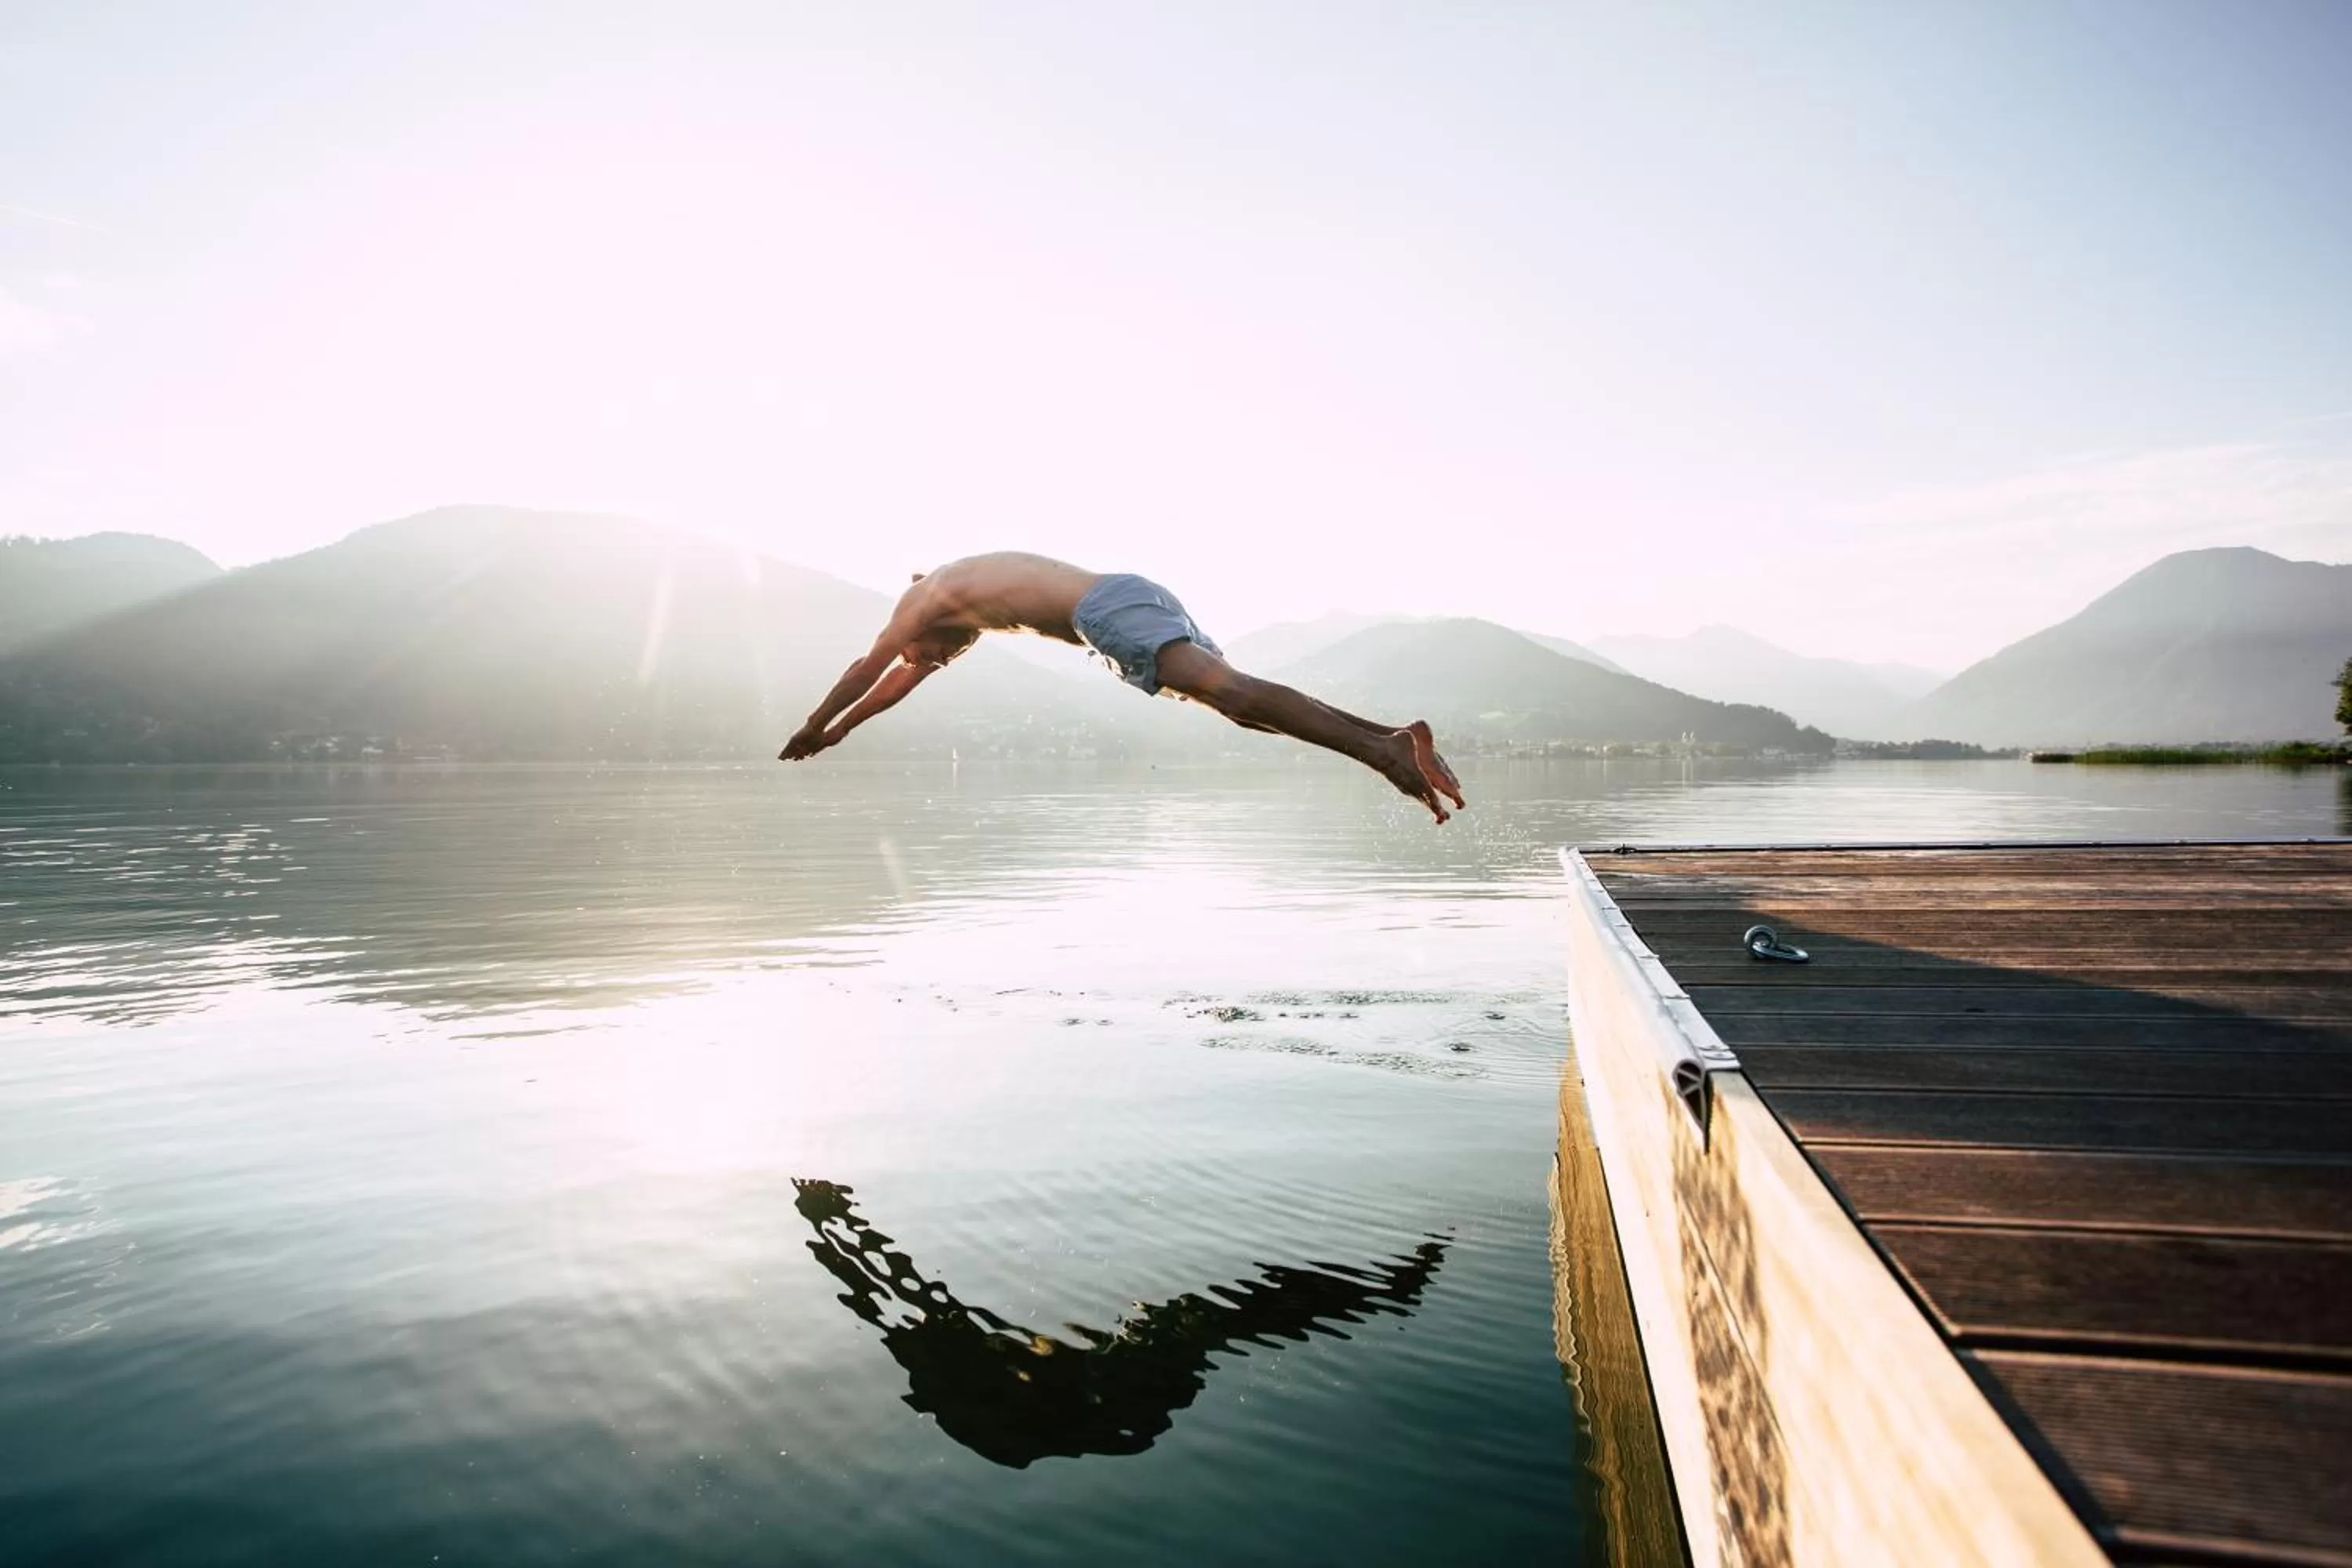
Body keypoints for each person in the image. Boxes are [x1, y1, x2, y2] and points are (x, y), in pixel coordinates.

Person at [779, 552, 1466, 823]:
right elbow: (904, 680)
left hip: (1106, 611)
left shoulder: (924, 599)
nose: (935, 664)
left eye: (932, 658)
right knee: (1240, 706)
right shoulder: (962, 608)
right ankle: (1387, 737)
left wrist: (814, 725)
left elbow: (872, 669)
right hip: (1126, 600)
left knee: (1236, 696)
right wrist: (841, 734)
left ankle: (1385, 753)